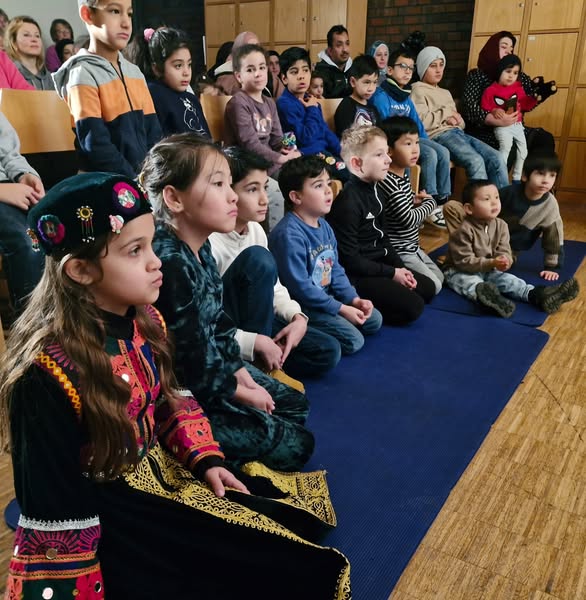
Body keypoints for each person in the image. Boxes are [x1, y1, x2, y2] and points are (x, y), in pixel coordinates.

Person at [1, 170, 351, 600]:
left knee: (290, 525)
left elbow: (171, 398)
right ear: (80, 270)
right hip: (112, 514)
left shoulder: (145, 319)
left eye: (151, 244)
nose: (156, 261)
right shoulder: (46, 373)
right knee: (287, 573)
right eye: (135, 251)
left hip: (161, 470)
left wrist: (204, 460)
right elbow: (52, 511)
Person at [143, 133, 314, 472]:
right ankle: (186, 451)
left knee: (294, 405)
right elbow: (189, 365)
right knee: (298, 445)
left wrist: (238, 372)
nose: (233, 195)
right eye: (219, 184)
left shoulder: (200, 245)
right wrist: (240, 391)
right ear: (174, 199)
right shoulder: (170, 262)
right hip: (184, 393)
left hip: (214, 369)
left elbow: (218, 323)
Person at [210, 146, 341, 378]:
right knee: (258, 259)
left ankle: (267, 359)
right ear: (227, 192)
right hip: (228, 329)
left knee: (328, 350)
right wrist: (254, 342)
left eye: (265, 188)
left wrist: (297, 317)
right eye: (252, 189)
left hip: (260, 320)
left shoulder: (255, 231)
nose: (264, 199)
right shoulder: (210, 242)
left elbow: (275, 287)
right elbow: (210, 318)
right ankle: (259, 367)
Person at [269, 154, 382, 358]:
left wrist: (353, 299)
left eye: (328, 183)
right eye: (318, 185)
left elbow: (335, 269)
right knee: (355, 341)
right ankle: (307, 329)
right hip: (304, 305)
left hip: (326, 297)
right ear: (296, 197)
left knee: (374, 319)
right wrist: (340, 309)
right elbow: (301, 288)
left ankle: (339, 317)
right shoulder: (288, 235)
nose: (329, 190)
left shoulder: (324, 225)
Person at [327, 125, 436, 324]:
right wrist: (392, 273)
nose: (388, 160)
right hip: (359, 274)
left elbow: (383, 238)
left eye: (387, 152)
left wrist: (401, 269)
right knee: (414, 307)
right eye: (379, 155)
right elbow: (350, 260)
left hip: (380, 264)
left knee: (427, 288)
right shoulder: (348, 203)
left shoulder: (377, 190)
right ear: (357, 163)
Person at [53, 0, 161, 178]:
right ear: (88, 15)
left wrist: (153, 178)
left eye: (129, 13)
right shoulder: (82, 73)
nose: (126, 22)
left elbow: (154, 134)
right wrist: (137, 181)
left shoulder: (135, 73)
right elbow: (95, 145)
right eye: (114, 11)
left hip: (141, 180)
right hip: (104, 180)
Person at [443, 179, 578, 317]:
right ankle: (490, 302)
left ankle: (537, 295)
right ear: (469, 208)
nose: (494, 202)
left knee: (509, 280)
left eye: (496, 197)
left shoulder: (501, 225)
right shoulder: (463, 230)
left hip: (488, 269)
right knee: (472, 283)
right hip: (458, 270)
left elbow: (504, 250)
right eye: (487, 199)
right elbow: (464, 261)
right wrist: (491, 263)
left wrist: (504, 260)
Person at [370, 46, 451, 224]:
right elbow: (383, 126)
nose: (407, 72)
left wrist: (424, 142)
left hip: (412, 139)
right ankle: (429, 200)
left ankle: (441, 201)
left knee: (442, 151)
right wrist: (419, 146)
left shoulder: (405, 95)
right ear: (390, 70)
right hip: (394, 141)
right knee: (429, 155)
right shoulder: (381, 95)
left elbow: (417, 124)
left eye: (411, 68)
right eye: (402, 67)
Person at [411, 46, 509, 190]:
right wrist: (446, 114)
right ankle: (478, 207)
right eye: (433, 66)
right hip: (439, 136)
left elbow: (460, 122)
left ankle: (501, 206)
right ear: (422, 67)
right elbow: (421, 122)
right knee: (475, 160)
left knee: (497, 158)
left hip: (459, 133)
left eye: (441, 65)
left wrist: (457, 120)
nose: (439, 70)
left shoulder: (445, 92)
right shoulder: (417, 89)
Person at [224, 43, 298, 230]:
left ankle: (297, 234)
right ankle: (274, 241)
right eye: (250, 69)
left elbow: (276, 139)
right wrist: (281, 157)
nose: (258, 73)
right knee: (274, 192)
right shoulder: (238, 103)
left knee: (302, 177)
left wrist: (289, 148)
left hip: (267, 163)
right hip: (245, 163)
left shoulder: (269, 103)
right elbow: (249, 144)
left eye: (261, 68)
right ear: (239, 76)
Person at [461, 31, 556, 155]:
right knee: (509, 145)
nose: (508, 52)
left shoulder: (517, 76)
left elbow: (526, 103)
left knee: (544, 139)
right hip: (484, 130)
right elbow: (469, 107)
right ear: (492, 49)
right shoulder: (477, 75)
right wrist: (495, 120)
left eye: (511, 49)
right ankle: (503, 175)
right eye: (504, 47)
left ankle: (533, 175)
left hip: (514, 126)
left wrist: (538, 97)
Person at [378, 116, 444, 294]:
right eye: (407, 144)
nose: (415, 149)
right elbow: (408, 220)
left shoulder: (402, 174)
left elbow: (400, 204)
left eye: (416, 142)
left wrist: (413, 200)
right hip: (399, 250)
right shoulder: (388, 181)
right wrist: (431, 202)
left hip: (412, 246)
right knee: (434, 287)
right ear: (389, 150)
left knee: (440, 279)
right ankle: (389, 279)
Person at [277, 46, 347, 181]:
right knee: (347, 176)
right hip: (305, 158)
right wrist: (312, 110)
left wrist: (343, 152)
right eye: (294, 72)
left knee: (354, 168)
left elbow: (325, 132)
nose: (301, 76)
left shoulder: (311, 100)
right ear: (284, 78)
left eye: (305, 70)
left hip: (321, 153)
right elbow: (305, 138)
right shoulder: (285, 104)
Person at [0, 110, 45, 315]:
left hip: (11, 186)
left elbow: (9, 153)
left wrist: (24, 174)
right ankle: (32, 325)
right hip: (3, 192)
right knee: (28, 241)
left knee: (58, 224)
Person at [499, 153, 565, 279]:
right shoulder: (508, 192)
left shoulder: (549, 206)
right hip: (484, 236)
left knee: (499, 264)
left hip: (508, 248)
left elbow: (554, 238)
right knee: (452, 207)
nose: (546, 180)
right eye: (540, 173)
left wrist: (551, 267)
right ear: (524, 176)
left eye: (552, 175)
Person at [144, 27, 211, 138]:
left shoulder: (192, 98)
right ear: (156, 69)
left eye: (189, 65)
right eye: (178, 66)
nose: (186, 72)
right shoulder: (154, 94)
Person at [481, 54, 537, 183]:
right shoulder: (491, 90)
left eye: (515, 72)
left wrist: (535, 97)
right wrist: (495, 110)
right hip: (502, 127)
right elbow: (485, 107)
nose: (511, 76)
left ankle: (516, 178)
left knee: (523, 151)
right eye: (508, 71)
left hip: (517, 125)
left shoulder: (518, 88)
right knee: (505, 148)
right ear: (500, 71)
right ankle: (500, 175)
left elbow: (525, 104)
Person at [333, 54, 380, 137]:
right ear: (353, 82)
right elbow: (345, 138)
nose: (371, 88)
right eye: (367, 82)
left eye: (375, 82)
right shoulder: (346, 106)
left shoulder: (373, 108)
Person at [4, 15, 55, 90]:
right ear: (14, 43)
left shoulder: (52, 78)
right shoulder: (7, 74)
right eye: (26, 35)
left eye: (37, 36)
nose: (34, 39)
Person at [313, 24, 352, 98]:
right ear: (330, 50)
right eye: (339, 45)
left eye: (347, 44)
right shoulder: (320, 73)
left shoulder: (354, 68)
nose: (345, 49)